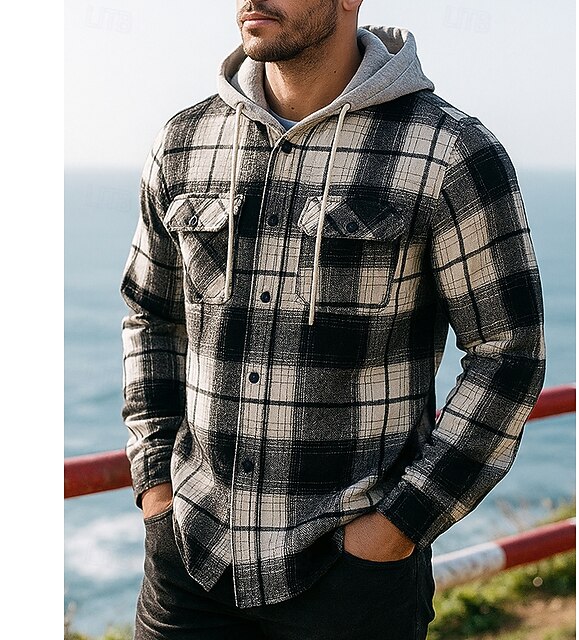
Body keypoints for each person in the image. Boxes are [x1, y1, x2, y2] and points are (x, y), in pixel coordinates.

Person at [120, 1, 546, 638]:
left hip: (353, 582)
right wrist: (157, 486)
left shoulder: (451, 153)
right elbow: (150, 316)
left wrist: (397, 527)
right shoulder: (183, 141)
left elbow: (508, 353)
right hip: (191, 563)